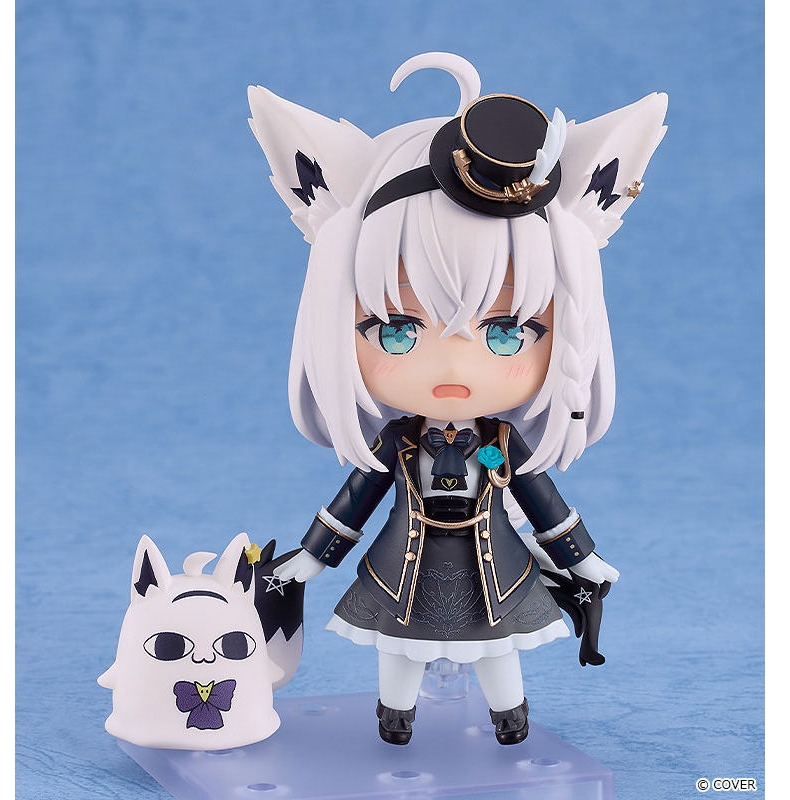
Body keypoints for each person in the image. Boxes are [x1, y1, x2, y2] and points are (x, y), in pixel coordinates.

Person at [247, 52, 667, 745]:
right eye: (397, 329)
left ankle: (510, 716)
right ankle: (395, 716)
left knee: (499, 649)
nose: (453, 364)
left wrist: (583, 560)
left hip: (494, 573)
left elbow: (545, 504)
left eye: (507, 331)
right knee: (398, 648)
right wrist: (308, 558)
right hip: (402, 573)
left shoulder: (504, 443)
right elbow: (354, 502)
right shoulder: (397, 442)